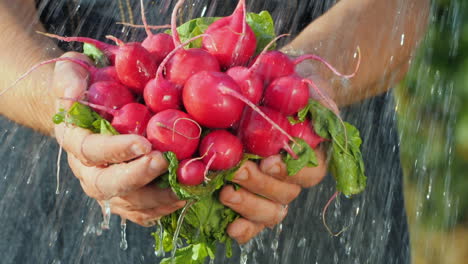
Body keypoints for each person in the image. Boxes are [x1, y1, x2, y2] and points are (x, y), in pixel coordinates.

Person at [0, 0, 429, 263]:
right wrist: (57, 102)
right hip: (60, 189)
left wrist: (312, 80)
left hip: (302, 181)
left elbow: (400, 7)